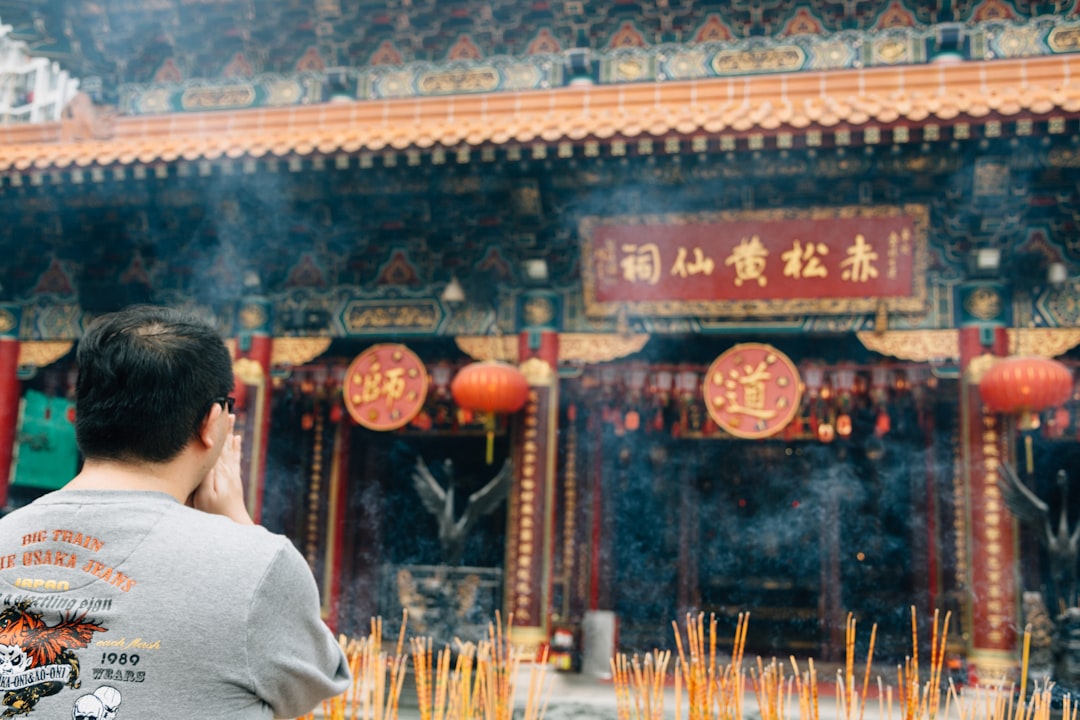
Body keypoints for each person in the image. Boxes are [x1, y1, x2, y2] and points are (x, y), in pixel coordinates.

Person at [0, 305, 350, 719]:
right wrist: (239, 529)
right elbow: (316, 685)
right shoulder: (256, 566)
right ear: (212, 421)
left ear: (85, 414)